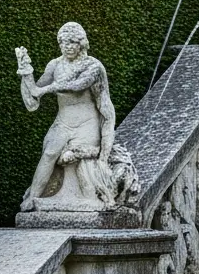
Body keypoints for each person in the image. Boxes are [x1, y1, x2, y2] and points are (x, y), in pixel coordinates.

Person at [15, 23, 137, 213]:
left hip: (87, 124)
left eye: (72, 42)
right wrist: (26, 73)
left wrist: (104, 152)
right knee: (49, 154)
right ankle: (33, 198)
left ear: (81, 43)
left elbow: (77, 85)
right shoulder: (55, 65)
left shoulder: (93, 67)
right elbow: (32, 101)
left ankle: (87, 198)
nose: (68, 46)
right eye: (63, 42)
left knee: (77, 158)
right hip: (62, 123)